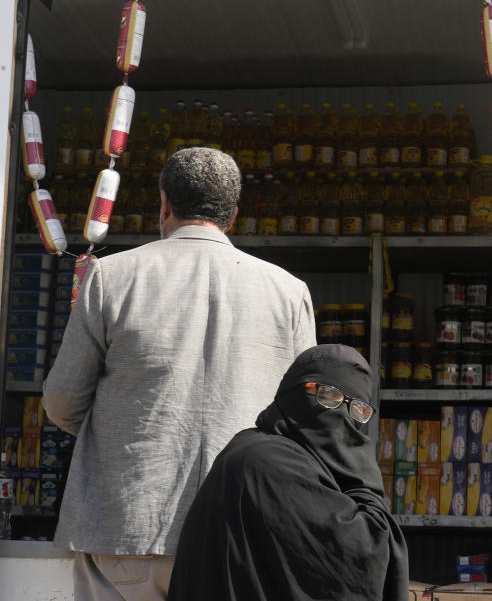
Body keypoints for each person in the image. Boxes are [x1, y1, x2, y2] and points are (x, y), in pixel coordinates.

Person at [43, 147, 317, 599]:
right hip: (239, 533)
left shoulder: (111, 277)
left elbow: (63, 401)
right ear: (232, 213)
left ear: (165, 202)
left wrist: (114, 433)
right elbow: (304, 419)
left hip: (128, 528)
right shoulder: (289, 292)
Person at [167, 344, 409, 601]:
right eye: (327, 396)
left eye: (358, 410)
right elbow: (367, 551)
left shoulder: (254, 450)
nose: (341, 414)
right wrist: (362, 475)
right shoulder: (272, 464)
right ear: (292, 392)